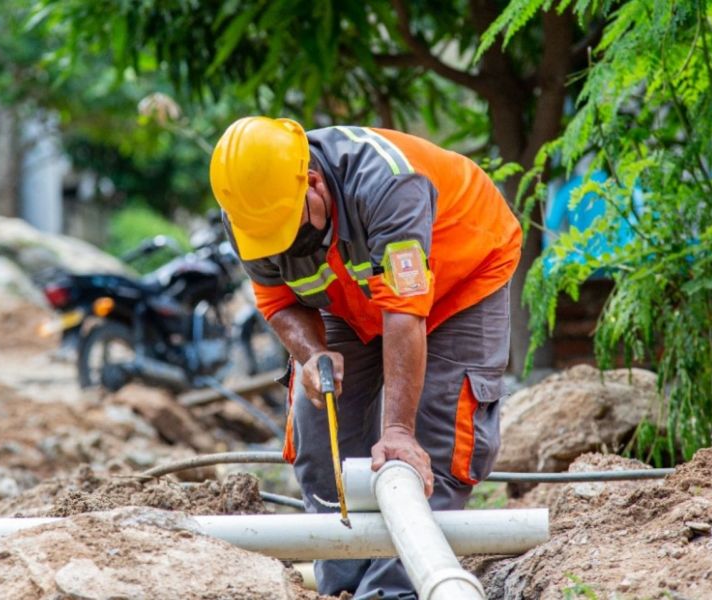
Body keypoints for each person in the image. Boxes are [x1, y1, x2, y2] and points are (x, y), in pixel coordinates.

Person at [210, 117, 521, 598]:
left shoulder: (387, 185)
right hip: (350, 296)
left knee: (432, 438)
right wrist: (313, 354)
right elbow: (278, 302)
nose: (284, 246)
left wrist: (397, 431)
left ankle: (394, 591)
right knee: (321, 432)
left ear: (313, 182)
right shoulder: (250, 213)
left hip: (460, 280)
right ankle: (342, 586)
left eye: (289, 230)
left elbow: (403, 311)